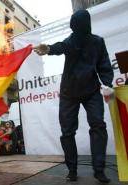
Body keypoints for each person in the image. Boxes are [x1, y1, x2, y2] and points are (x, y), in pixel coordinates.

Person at [34, 10, 113, 183]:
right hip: (69, 92)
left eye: (78, 26)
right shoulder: (72, 40)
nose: (76, 30)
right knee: (67, 131)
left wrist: (107, 84)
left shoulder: (97, 42)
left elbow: (104, 65)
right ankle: (72, 170)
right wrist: (48, 49)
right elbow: (61, 46)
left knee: (98, 125)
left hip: (92, 90)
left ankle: (99, 170)